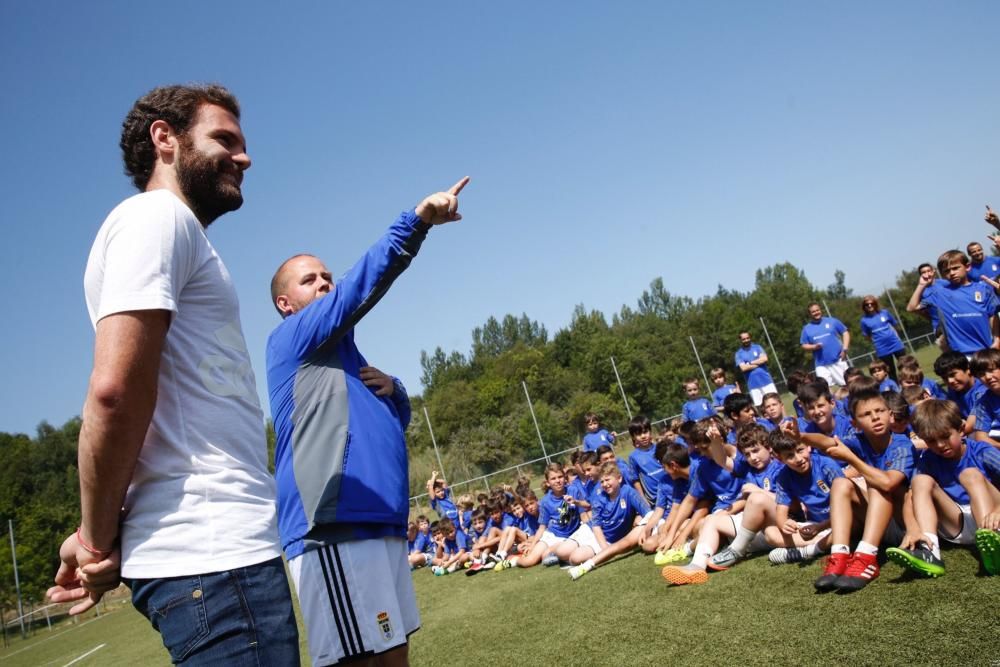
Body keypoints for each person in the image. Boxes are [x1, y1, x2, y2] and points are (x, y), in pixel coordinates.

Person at [47, 84, 300, 663]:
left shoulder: (173, 233)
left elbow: (153, 421)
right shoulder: (158, 218)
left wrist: (98, 531)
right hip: (214, 559)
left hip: (209, 559)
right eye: (224, 139)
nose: (245, 156)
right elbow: (113, 393)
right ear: (165, 138)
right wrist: (94, 540)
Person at [266, 176, 469, 666]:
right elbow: (361, 287)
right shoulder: (294, 340)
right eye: (309, 279)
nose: (325, 283)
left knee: (394, 652)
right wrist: (416, 223)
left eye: (326, 276)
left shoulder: (350, 363)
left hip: (379, 523)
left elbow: (392, 426)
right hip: (332, 528)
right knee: (360, 660)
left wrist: (396, 391)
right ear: (285, 304)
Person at [807, 387, 916, 592]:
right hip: (879, 524)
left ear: (890, 415)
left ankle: (866, 557)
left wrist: (851, 458)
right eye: (867, 414)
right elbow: (828, 443)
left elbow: (888, 484)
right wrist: (800, 436)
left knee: (877, 482)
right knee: (841, 483)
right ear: (855, 424)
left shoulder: (902, 444)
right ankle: (840, 555)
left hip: (905, 526)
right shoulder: (860, 441)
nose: (875, 417)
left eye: (880, 411)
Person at [886, 400, 1000, 577]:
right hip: (957, 522)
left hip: (992, 516)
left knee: (970, 474)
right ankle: (929, 550)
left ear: (961, 429)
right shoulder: (928, 459)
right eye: (931, 441)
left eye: (945, 436)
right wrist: (912, 528)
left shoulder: (981, 450)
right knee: (920, 481)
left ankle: (993, 542)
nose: (939, 445)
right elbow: (911, 497)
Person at [567, 462, 651, 579]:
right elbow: (596, 527)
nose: (605, 484)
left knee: (575, 558)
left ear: (619, 478)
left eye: (607, 480)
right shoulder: (599, 497)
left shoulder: (628, 492)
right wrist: (605, 549)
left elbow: (648, 513)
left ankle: (583, 560)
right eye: (602, 482)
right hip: (594, 534)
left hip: (612, 539)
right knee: (565, 553)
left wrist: (640, 521)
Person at [907, 250, 999, 355]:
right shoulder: (940, 294)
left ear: (967, 267)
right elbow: (912, 308)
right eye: (946, 271)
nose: (951, 273)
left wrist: (997, 340)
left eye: (955, 268)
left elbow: (993, 316)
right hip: (961, 355)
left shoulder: (983, 289)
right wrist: (921, 285)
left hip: (986, 350)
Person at [933, 351, 986, 434]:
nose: (950, 381)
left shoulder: (983, 390)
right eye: (945, 378)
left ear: (968, 369)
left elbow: (969, 427)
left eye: (952, 374)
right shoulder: (954, 390)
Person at [800, 303, 851, 387]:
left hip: (837, 360)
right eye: (813, 312)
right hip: (821, 364)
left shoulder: (832, 321)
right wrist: (814, 347)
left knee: (847, 385)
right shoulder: (806, 329)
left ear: (820, 310)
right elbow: (803, 345)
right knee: (824, 389)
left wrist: (845, 349)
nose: (816, 313)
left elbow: (845, 332)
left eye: (817, 310)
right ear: (809, 314)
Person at [859, 296, 906, 380]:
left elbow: (894, 324)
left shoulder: (885, 313)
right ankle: (895, 389)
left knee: (905, 366)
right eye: (867, 304)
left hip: (895, 343)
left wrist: (896, 336)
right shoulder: (864, 320)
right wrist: (875, 341)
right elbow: (866, 335)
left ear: (875, 304)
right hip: (882, 348)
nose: (870, 306)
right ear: (864, 306)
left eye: (872, 303)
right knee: (890, 370)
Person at [734, 331, 778, 406]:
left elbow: (764, 359)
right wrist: (758, 363)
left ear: (750, 338)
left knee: (776, 402)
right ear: (740, 340)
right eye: (744, 339)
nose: (746, 340)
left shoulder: (757, 347)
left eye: (748, 338)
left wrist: (750, 363)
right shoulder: (738, 354)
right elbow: (743, 368)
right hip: (753, 385)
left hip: (766, 381)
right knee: (760, 406)